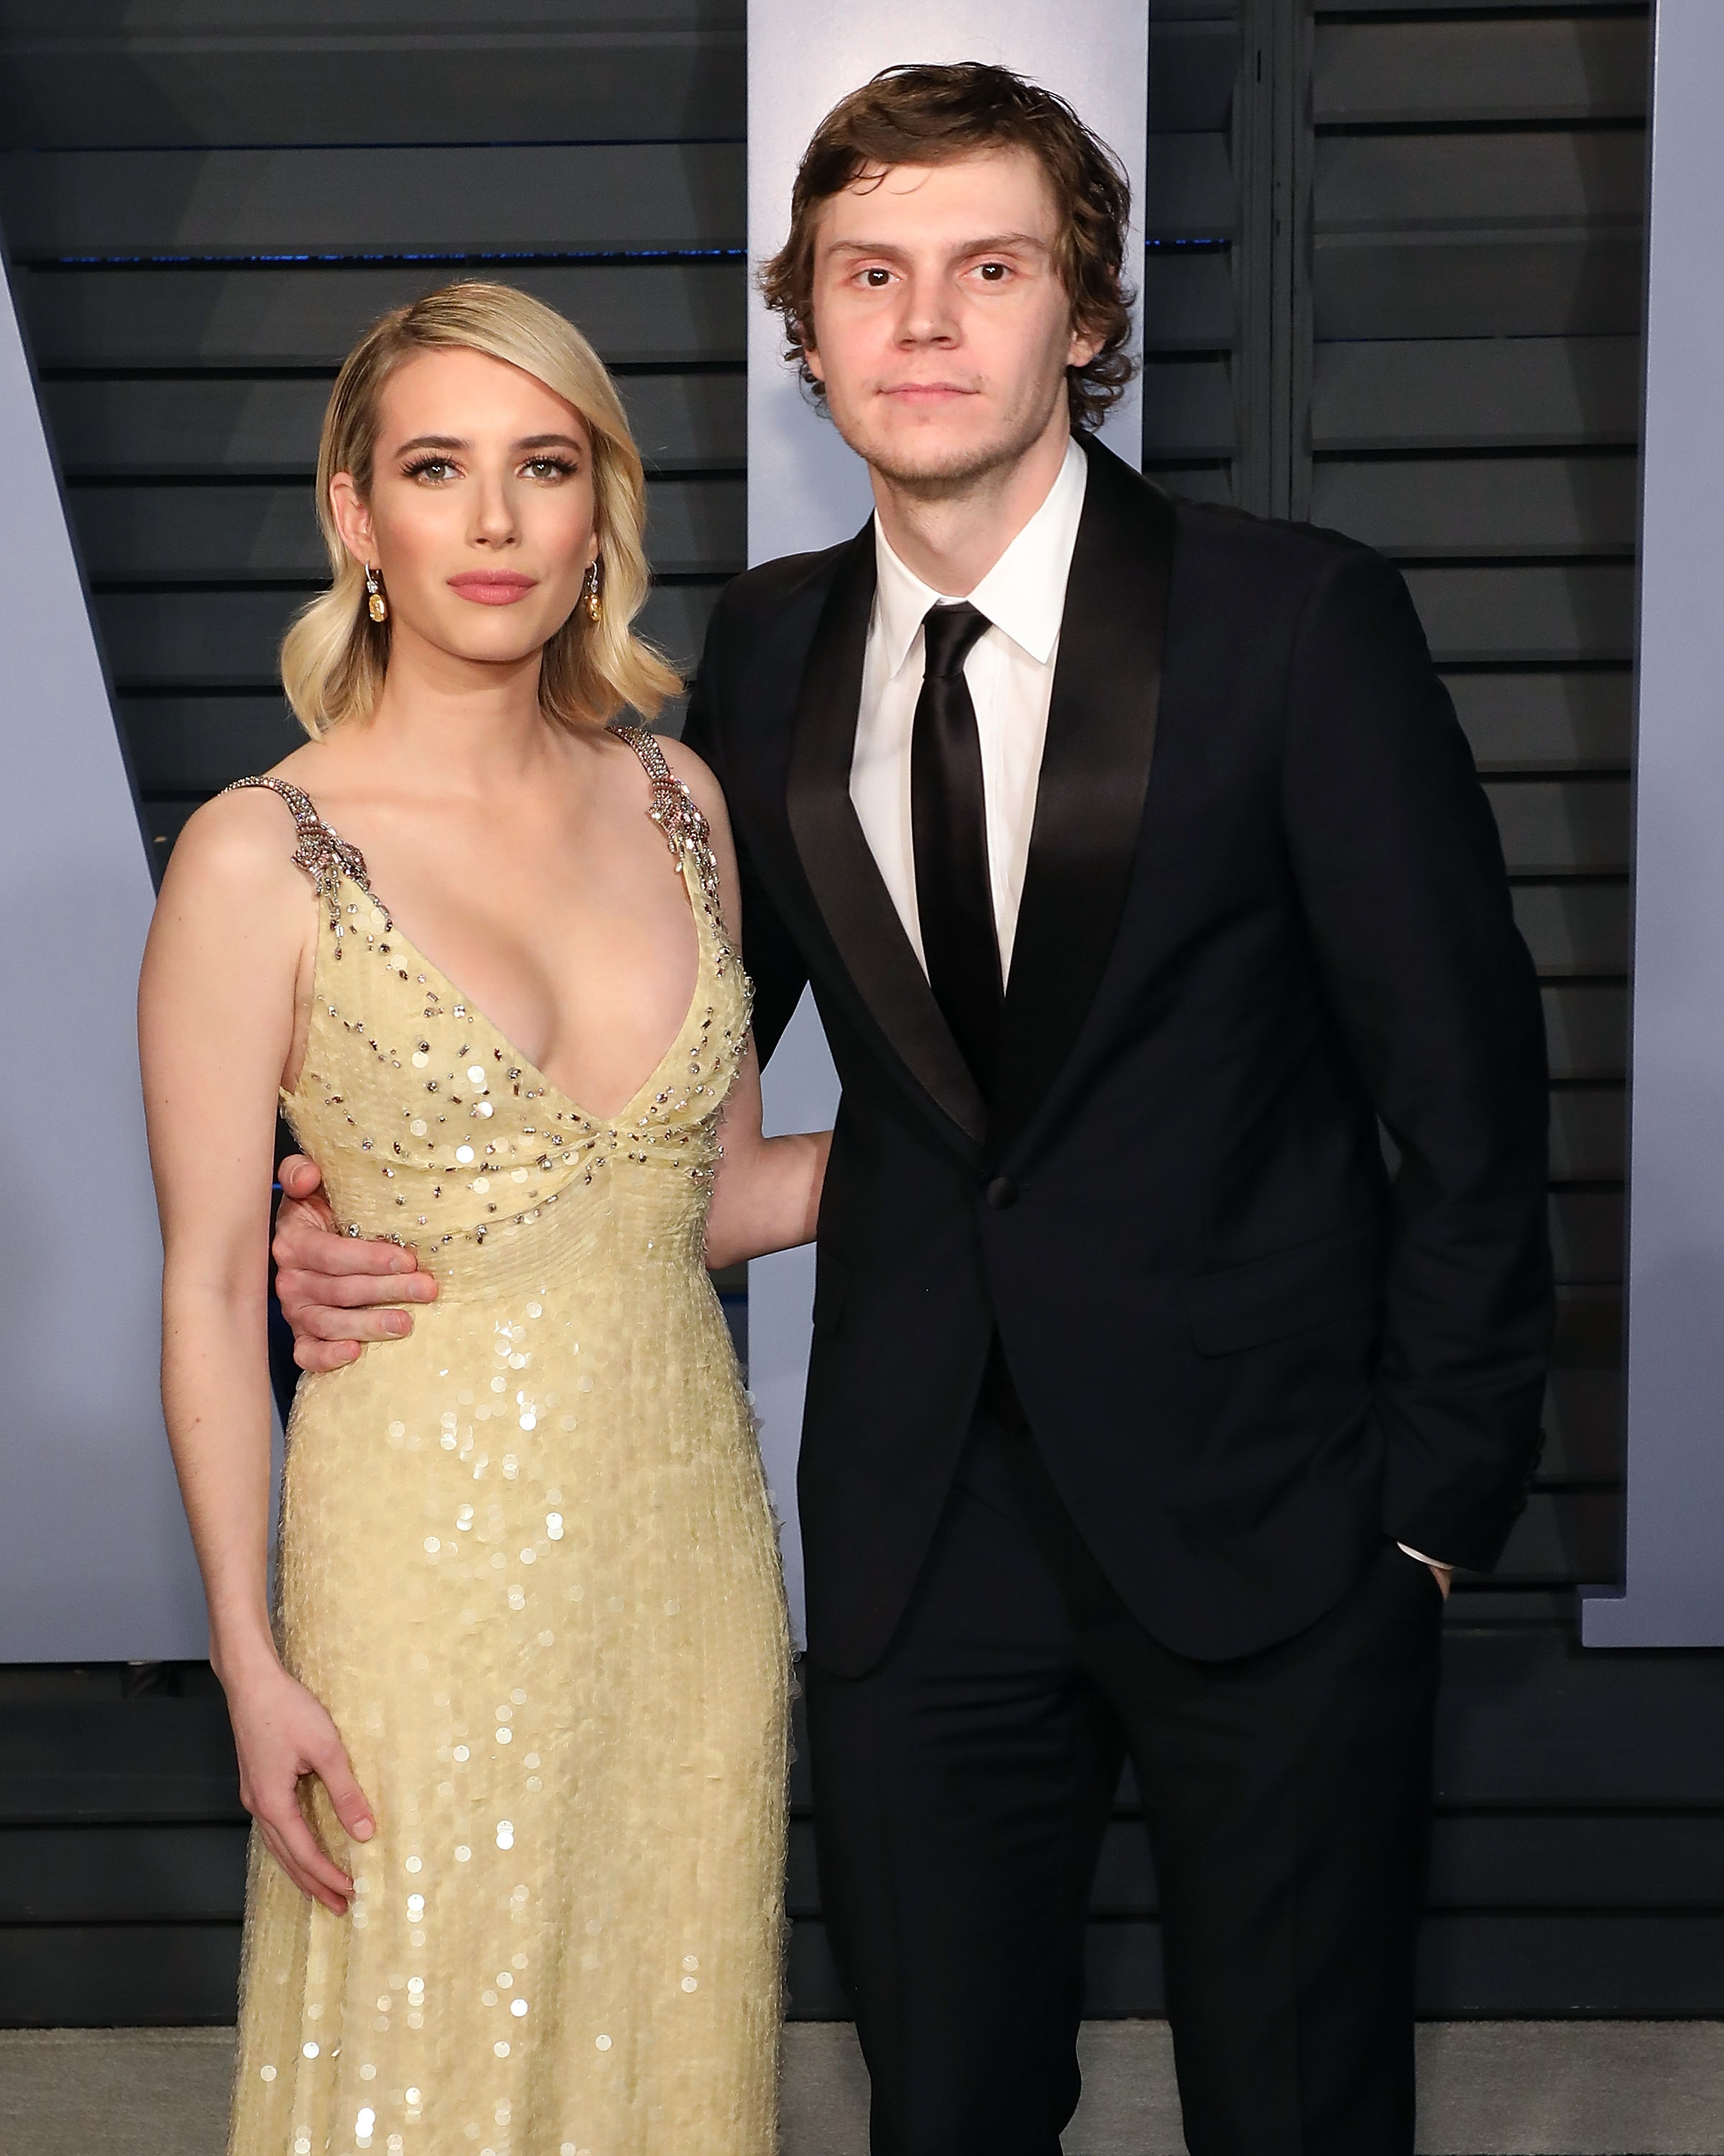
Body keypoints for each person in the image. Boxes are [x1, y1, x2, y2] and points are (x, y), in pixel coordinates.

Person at [271, 65, 1553, 2156]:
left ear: (1084, 319)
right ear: (810, 329)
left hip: (1279, 1528)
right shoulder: (763, 657)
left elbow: (1475, 1104)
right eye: (871, 274)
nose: (927, 321)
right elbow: (642, 1100)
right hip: (910, 1534)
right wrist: (366, 1222)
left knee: (1297, 2111)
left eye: (989, 268)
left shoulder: (1295, 623)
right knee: (942, 2110)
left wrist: (1422, 1524)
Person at [139, 280, 825, 2156]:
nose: (500, 523)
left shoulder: (679, 800)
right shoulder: (255, 852)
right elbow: (208, 1283)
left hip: (686, 1543)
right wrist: (247, 1654)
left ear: (601, 511)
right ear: (356, 516)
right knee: (422, 2053)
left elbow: (716, 1195)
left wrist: (1000, 1145)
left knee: (668, 2034)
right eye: (441, 470)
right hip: (414, 1566)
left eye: (546, 468)